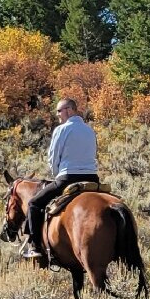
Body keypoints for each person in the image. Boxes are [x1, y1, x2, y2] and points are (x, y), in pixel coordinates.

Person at [21, 98, 99, 260]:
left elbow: (53, 157)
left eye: (59, 111)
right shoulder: (89, 130)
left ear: (70, 110)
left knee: (34, 204)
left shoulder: (61, 130)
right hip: (92, 178)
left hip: (68, 177)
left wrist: (57, 174)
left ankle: (35, 246)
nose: (57, 115)